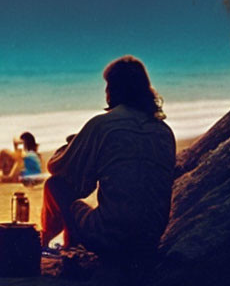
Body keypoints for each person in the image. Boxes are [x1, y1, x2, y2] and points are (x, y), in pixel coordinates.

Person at [40, 56, 175, 259]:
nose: (105, 92)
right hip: (150, 239)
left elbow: (57, 168)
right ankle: (69, 245)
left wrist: (70, 146)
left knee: (55, 185)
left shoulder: (103, 125)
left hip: (113, 238)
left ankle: (43, 241)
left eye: (108, 86)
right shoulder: (164, 131)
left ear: (114, 89)